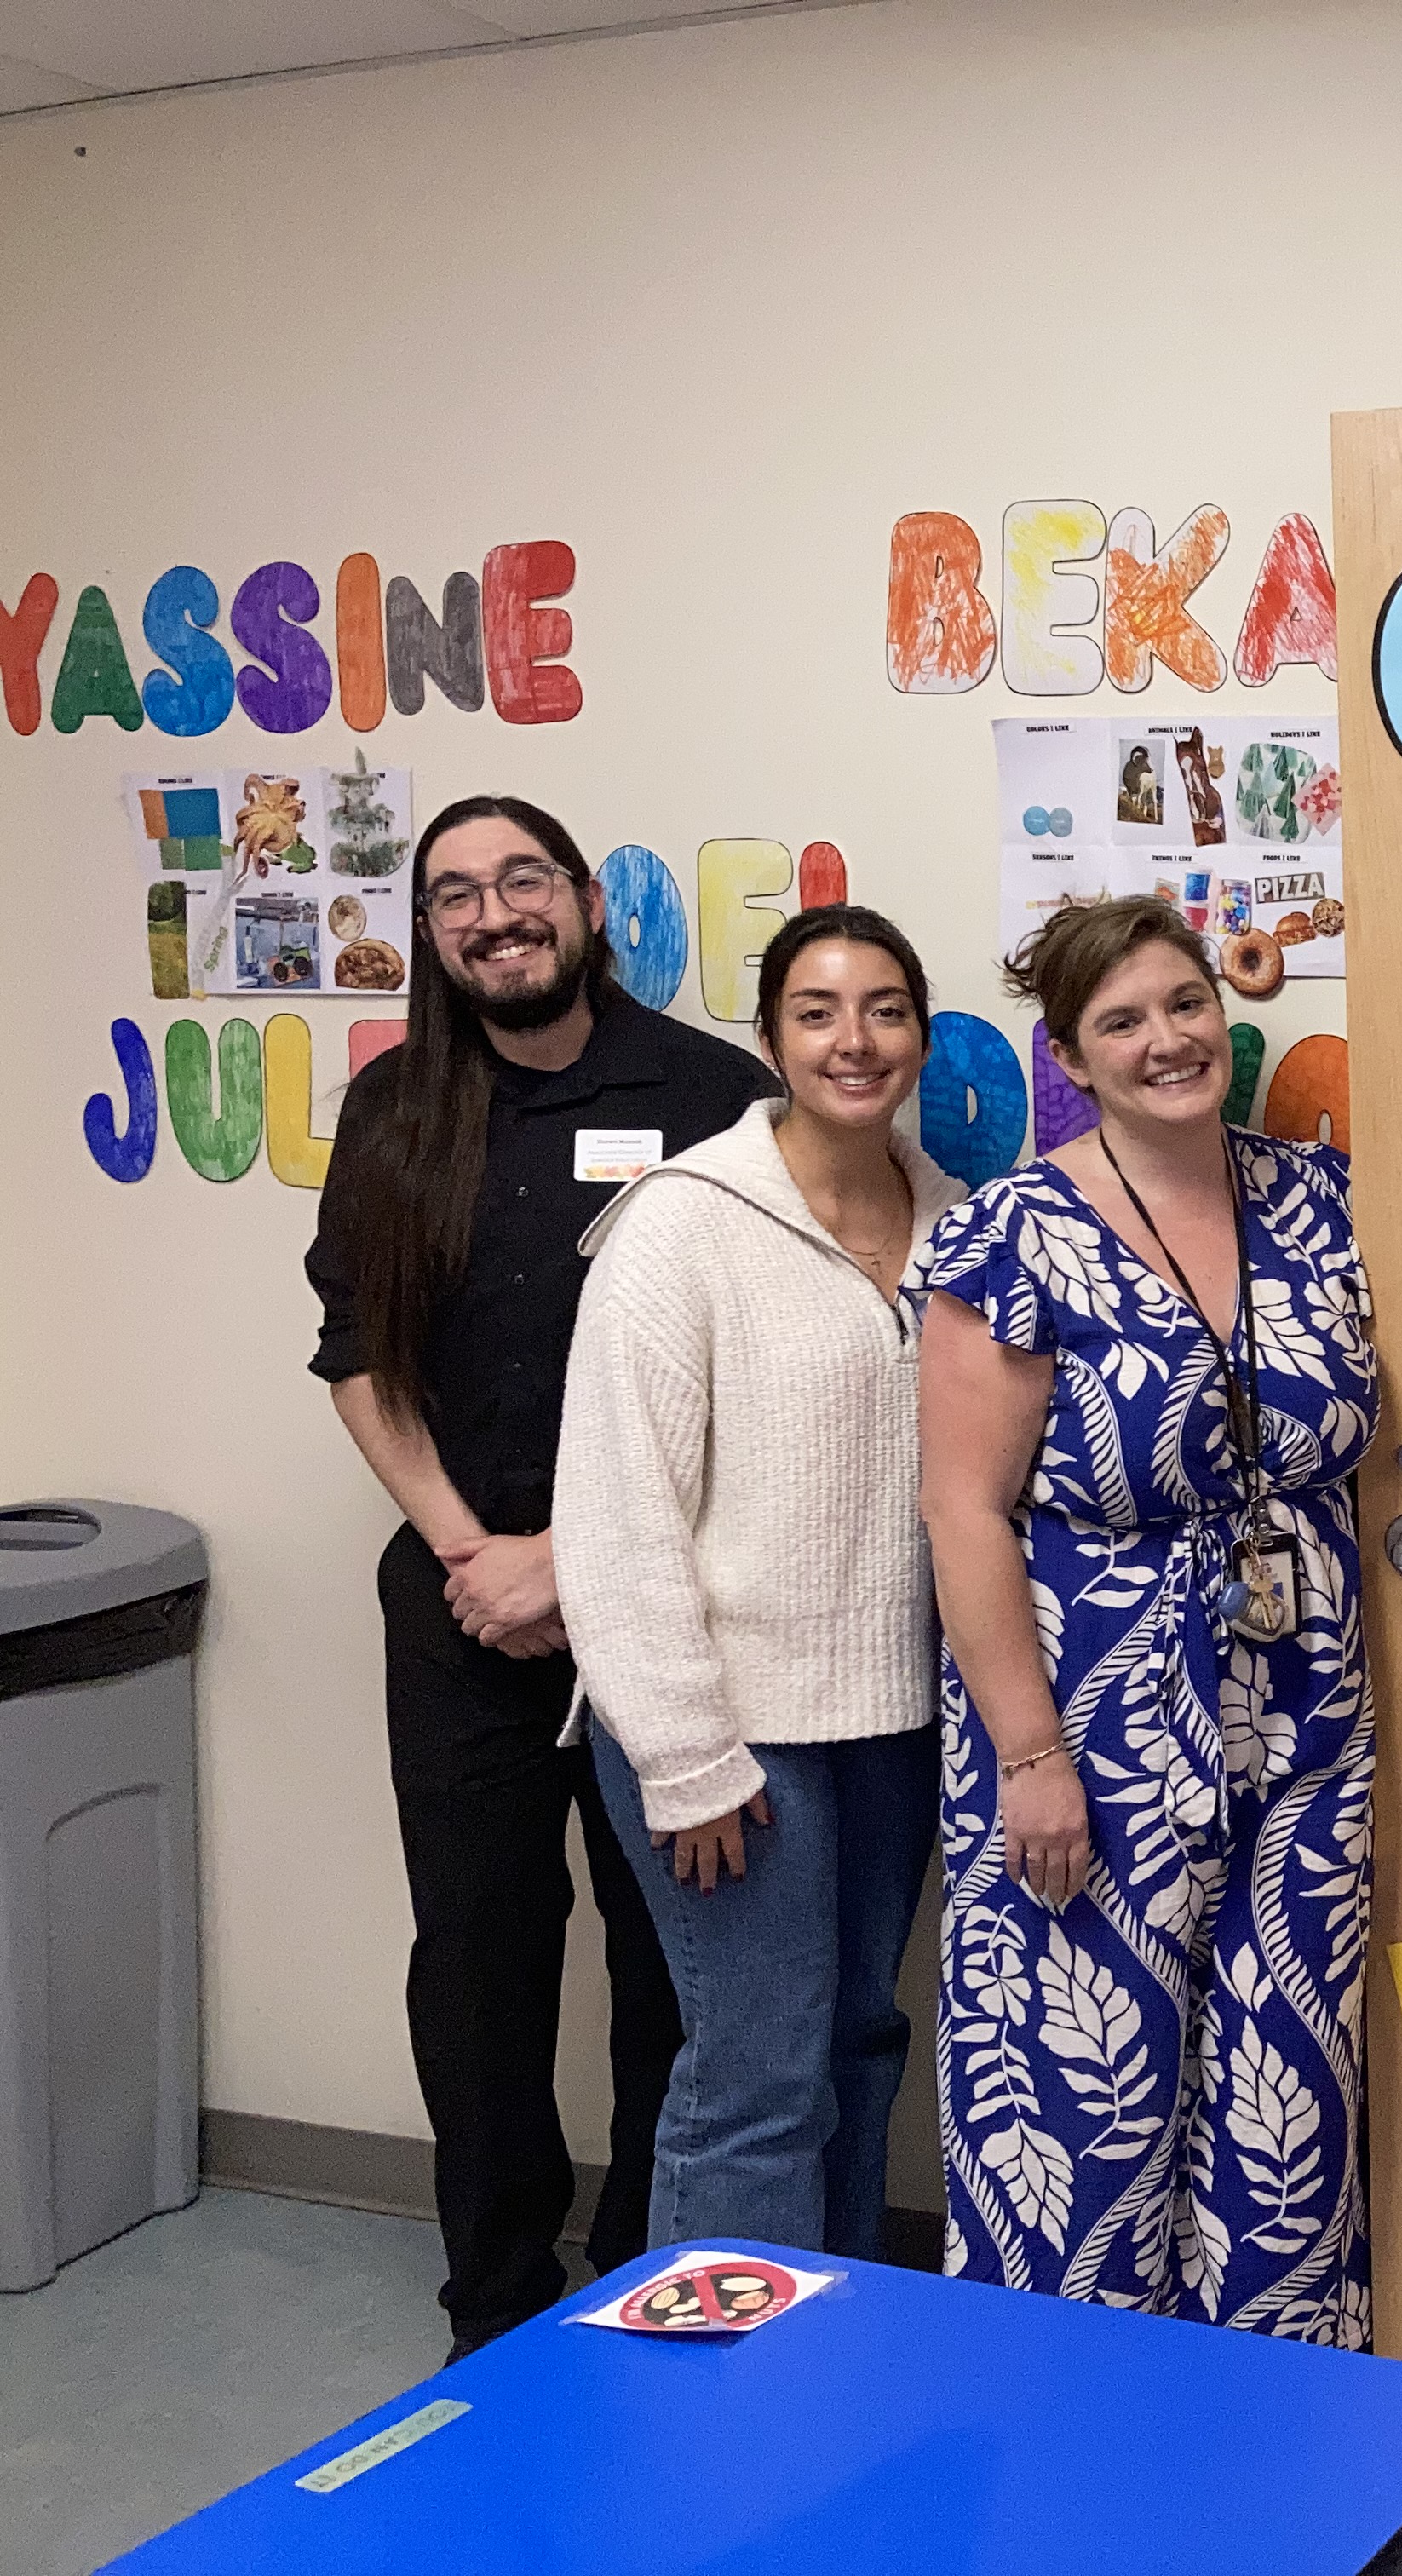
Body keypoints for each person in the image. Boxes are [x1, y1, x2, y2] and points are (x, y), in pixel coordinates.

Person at [307, 796, 775, 2355]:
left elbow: (762, 1379)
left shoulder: (714, 1099)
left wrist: (574, 1563)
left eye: (521, 880)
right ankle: (498, 2308)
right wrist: (474, 1555)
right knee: (479, 1967)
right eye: (455, 894)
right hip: (460, 1612)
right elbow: (359, 1359)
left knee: (673, 1969)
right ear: (432, 931)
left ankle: (648, 2279)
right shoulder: (395, 1111)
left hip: (670, 1613)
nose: (493, 914)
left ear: (582, 900)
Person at [914, 896, 1375, 2339]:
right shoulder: (1013, 1235)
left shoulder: (1322, 1199)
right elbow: (961, 1510)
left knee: (1291, 2076)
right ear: (1070, 1056)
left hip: (1308, 1709)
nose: (1166, 1040)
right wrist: (1029, 1756)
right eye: (1121, 1021)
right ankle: (1066, 2420)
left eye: (1185, 1005)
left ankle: (1274, 2415)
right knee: (1084, 2095)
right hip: (1089, 1714)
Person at [553, 906, 962, 2260]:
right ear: (772, 1041)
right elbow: (616, 1514)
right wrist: (683, 1756)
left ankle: (829, 2333)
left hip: (894, 1722)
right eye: (818, 1012)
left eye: (886, 1009)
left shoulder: (959, 1227)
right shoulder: (682, 1224)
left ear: (920, 1033)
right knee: (757, 2077)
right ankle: (723, 2371)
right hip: (728, 1728)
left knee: (860, 2046)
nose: (857, 1040)